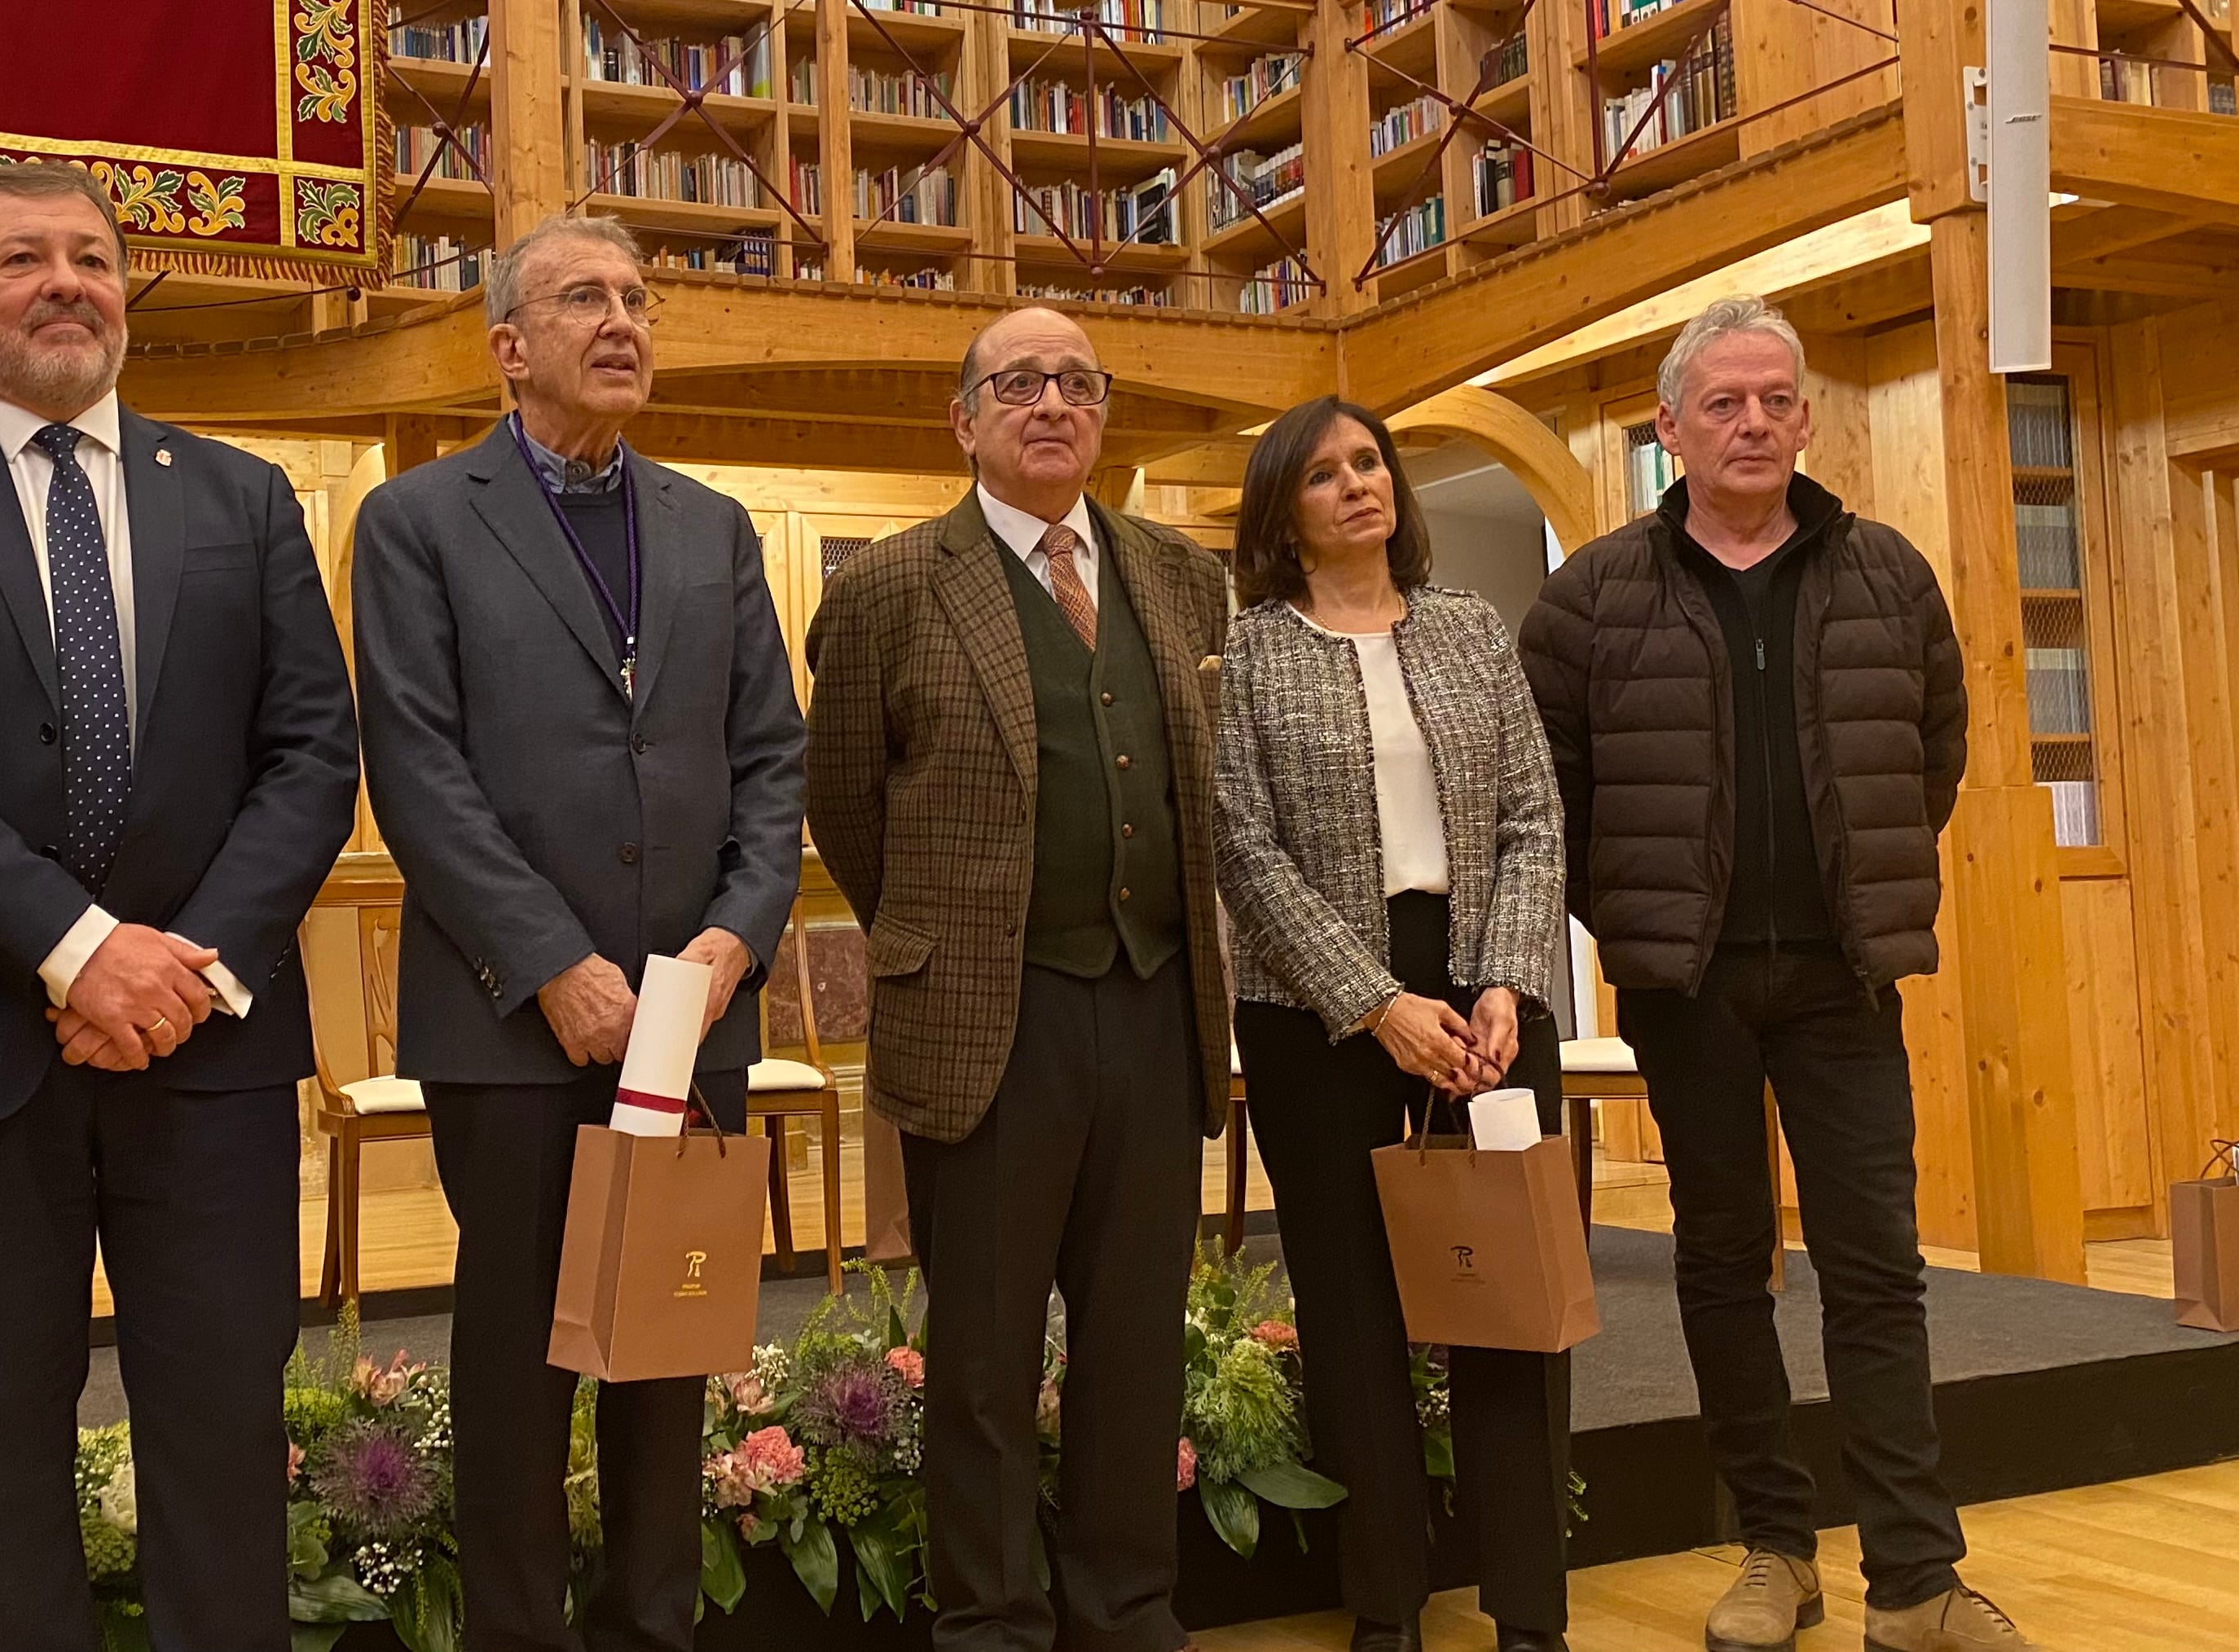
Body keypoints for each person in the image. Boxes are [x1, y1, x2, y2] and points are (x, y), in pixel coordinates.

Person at [0, 162, 360, 1651]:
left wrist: (177, 971)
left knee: (227, 1437)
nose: (65, 283)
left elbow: (312, 750)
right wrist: (76, 948)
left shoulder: (241, 496)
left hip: (208, 1055)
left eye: (94, 259)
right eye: (23, 258)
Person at [1520, 298, 2038, 1652]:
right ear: (1669, 427)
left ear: (1806, 418)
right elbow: (1547, 791)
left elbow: (1931, 751)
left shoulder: (1890, 576)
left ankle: (1918, 1580)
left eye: (1775, 400)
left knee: (1876, 1271)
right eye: (1724, 402)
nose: (1753, 423)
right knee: (1721, 1263)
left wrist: (1849, 885)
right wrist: (1629, 911)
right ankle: (1774, 1549)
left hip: (1842, 978)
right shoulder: (1591, 596)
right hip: (1685, 991)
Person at [352, 212, 807, 1652]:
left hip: (693, 1016)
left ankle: (652, 1631)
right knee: (519, 1362)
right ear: (508, 349)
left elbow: (770, 760)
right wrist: (551, 963)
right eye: (583, 300)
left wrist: (733, 945)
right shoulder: (419, 520)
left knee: (663, 1358)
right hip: (510, 1024)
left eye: (637, 298)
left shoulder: (711, 527)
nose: (622, 321)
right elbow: (417, 769)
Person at [803, 306, 1232, 1652]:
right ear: (966, 420)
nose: (1051, 403)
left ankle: (1128, 1611)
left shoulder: (1176, 574)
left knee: (1135, 1342)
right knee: (984, 1360)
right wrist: (952, 933)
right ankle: (992, 1622)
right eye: (1018, 384)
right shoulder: (886, 588)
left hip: (1159, 1010)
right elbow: (846, 808)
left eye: (1076, 383)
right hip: (991, 1021)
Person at [1213, 397, 1571, 1652]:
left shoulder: (1474, 631)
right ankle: (1388, 1603)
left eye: (1370, 463)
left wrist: (1506, 982)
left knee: (1510, 1303)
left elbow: (1534, 815)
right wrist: (1373, 1003)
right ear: (1284, 512)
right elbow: (1244, 853)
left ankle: (1529, 1605)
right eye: (1323, 474)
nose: (1358, 485)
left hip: (1487, 999)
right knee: (1353, 1310)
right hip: (1317, 1017)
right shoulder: (1248, 653)